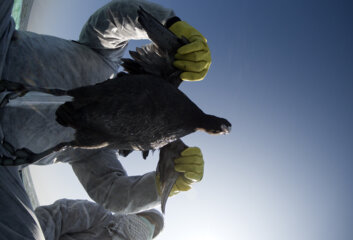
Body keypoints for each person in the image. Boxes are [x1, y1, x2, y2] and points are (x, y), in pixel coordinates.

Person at [0, 0, 210, 239]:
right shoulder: (104, 56)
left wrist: (163, 184)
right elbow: (114, 18)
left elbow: (113, 195)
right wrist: (171, 25)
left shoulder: (95, 150)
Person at [35, 199, 164, 240]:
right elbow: (55, 216)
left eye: (154, 228)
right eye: (148, 219)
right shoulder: (100, 216)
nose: (149, 226)